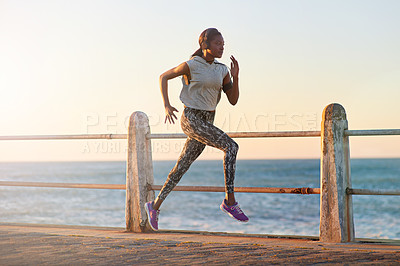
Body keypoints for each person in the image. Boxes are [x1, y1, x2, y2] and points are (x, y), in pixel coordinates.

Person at [145, 28, 248, 231]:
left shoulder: (222, 70)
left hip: (207, 121)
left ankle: (154, 206)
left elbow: (233, 100)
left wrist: (235, 77)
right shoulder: (191, 65)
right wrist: (166, 105)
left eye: (223, 44)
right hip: (191, 118)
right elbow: (164, 77)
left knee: (181, 167)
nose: (222, 47)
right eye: (218, 43)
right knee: (231, 146)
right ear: (205, 45)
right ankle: (230, 201)